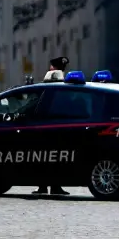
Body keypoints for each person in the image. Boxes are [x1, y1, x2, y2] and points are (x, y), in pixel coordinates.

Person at [32, 56, 71, 196]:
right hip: (58, 128)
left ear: (52, 68)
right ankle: (54, 186)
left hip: (44, 128)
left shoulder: (47, 88)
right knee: (55, 158)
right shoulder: (64, 88)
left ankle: (44, 186)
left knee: (43, 157)